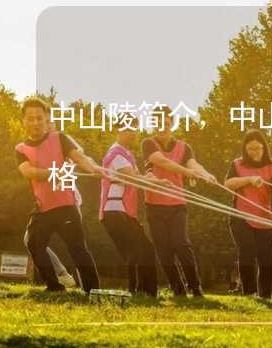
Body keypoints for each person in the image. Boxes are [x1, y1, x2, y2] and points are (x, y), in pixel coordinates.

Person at [15, 97, 102, 293]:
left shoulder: (60, 138)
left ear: (47, 119)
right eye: (31, 118)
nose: (35, 122)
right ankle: (54, 287)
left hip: (66, 207)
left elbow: (79, 158)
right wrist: (55, 173)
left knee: (78, 250)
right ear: (24, 121)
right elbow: (28, 172)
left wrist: (94, 168)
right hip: (42, 208)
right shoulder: (20, 149)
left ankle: (93, 291)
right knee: (33, 243)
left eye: (39, 118)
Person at [141, 105, 216, 297]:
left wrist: (206, 174)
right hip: (154, 205)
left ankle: (195, 287)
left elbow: (194, 164)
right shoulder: (148, 143)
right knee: (163, 250)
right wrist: (188, 173)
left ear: (171, 123)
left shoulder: (184, 147)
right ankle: (177, 288)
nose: (161, 127)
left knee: (181, 244)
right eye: (157, 123)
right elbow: (162, 162)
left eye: (165, 123)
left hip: (177, 204)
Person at [99, 114, 164, 297]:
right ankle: (140, 292)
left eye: (133, 128)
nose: (131, 133)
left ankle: (143, 292)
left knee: (140, 251)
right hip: (114, 211)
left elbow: (139, 178)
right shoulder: (116, 153)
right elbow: (131, 177)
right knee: (137, 251)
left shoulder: (127, 154)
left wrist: (154, 179)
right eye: (127, 129)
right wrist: (155, 183)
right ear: (117, 130)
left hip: (123, 212)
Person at [224, 129, 272, 299]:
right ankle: (249, 293)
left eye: (258, 148)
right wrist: (249, 179)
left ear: (264, 148)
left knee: (266, 258)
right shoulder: (237, 164)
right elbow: (228, 183)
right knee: (247, 252)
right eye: (250, 149)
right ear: (245, 149)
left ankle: (265, 295)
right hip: (241, 216)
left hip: (265, 217)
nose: (255, 152)